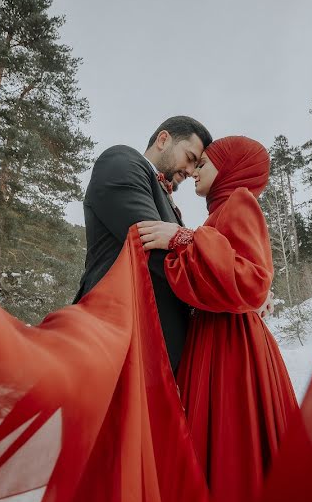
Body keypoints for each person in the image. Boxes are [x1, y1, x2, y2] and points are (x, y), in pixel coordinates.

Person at [137, 135, 299, 502]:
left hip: (232, 347)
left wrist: (182, 238)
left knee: (229, 448)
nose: (194, 170)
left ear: (230, 168)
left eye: (204, 162)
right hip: (219, 339)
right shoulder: (221, 213)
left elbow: (253, 279)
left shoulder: (238, 202)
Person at [74, 116, 212, 371]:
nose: (192, 171)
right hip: (117, 341)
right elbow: (151, 248)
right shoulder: (122, 162)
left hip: (155, 353)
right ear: (163, 139)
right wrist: (228, 283)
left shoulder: (167, 200)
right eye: (190, 158)